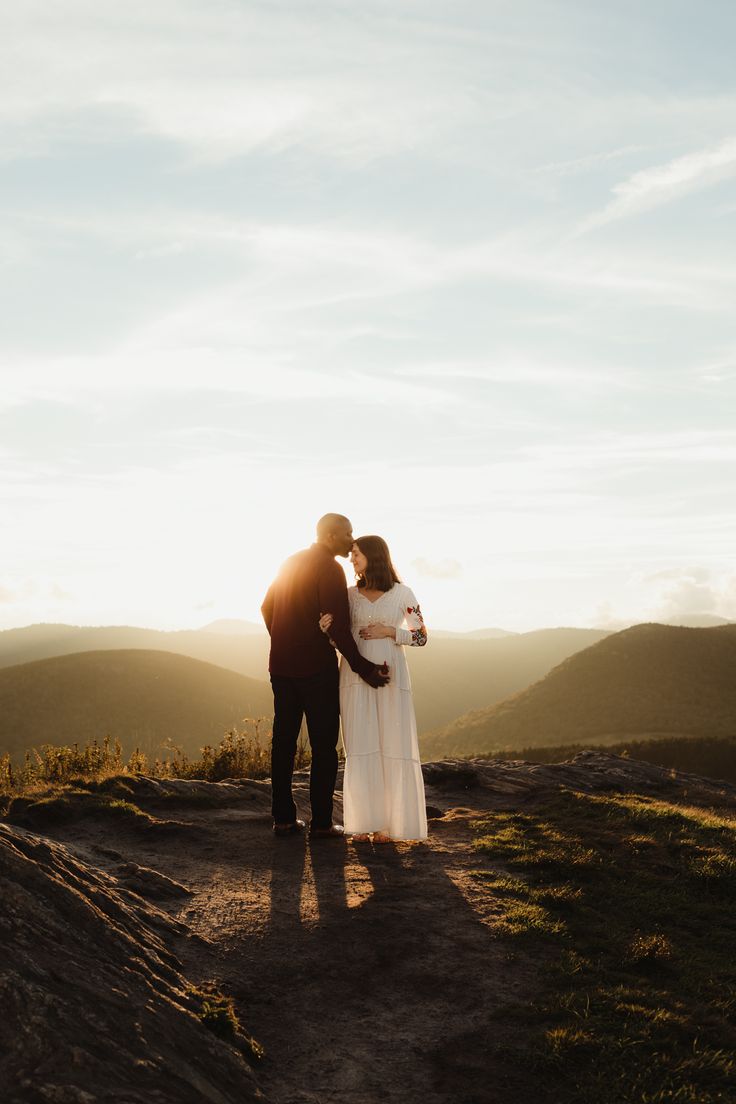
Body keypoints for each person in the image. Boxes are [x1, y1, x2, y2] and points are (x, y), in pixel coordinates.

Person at [261, 514, 390, 839]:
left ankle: (284, 819)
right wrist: (365, 669)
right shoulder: (330, 569)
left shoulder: (290, 561)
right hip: (316, 670)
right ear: (331, 535)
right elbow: (337, 627)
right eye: (347, 534)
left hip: (280, 667)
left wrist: (282, 639)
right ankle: (321, 823)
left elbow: (266, 607)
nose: (351, 540)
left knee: (284, 742)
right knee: (323, 746)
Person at [320, 535, 428, 843]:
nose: (351, 559)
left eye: (356, 554)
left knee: (391, 743)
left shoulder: (402, 592)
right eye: (351, 554)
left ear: (374, 556)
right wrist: (326, 630)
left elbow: (421, 636)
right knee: (361, 744)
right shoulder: (348, 595)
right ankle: (365, 821)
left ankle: (387, 825)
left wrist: (390, 632)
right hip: (354, 677)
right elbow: (339, 637)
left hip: (392, 675)